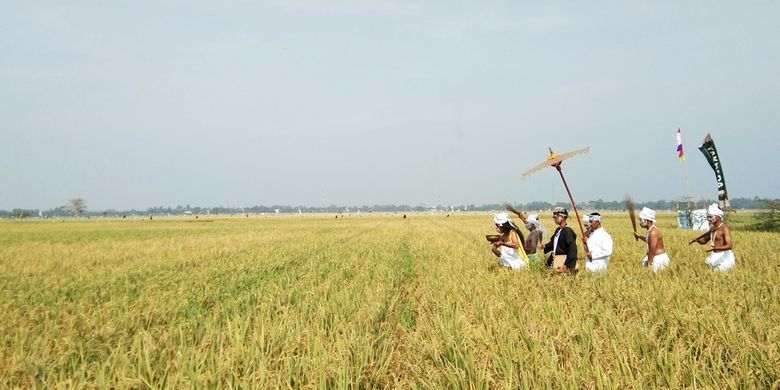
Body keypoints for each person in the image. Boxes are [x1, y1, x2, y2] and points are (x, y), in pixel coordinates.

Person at [689, 203, 736, 271]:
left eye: (711, 217)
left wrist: (715, 248)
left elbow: (729, 246)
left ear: (717, 217)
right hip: (715, 255)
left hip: (724, 256)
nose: (709, 219)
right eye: (708, 217)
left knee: (717, 274)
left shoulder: (724, 228)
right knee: (707, 271)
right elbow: (704, 241)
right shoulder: (713, 229)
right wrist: (696, 240)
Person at [633, 207, 670, 271]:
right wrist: (639, 236)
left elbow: (652, 251)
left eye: (641, 220)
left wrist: (649, 264)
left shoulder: (653, 233)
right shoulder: (651, 231)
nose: (640, 223)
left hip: (658, 260)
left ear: (647, 220)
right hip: (655, 258)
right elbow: (649, 240)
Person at [543, 207, 578, 273]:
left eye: (556, 217)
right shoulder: (558, 230)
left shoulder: (568, 231)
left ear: (562, 217)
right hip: (555, 259)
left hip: (563, 260)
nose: (554, 219)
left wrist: (568, 264)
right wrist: (544, 246)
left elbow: (572, 249)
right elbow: (553, 243)